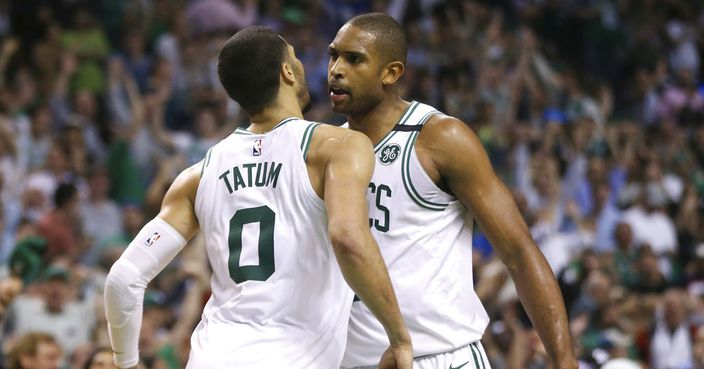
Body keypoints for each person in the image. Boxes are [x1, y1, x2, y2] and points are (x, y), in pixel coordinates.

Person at [104, 26, 412, 369]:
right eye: (295, 58)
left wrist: (126, 363)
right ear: (287, 72)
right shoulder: (335, 148)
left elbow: (124, 279)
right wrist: (398, 336)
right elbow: (347, 238)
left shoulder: (198, 175)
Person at [327, 13, 578, 369]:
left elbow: (519, 252)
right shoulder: (327, 151)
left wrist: (564, 360)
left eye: (354, 59)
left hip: (442, 357)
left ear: (391, 73)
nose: (336, 69)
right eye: (333, 55)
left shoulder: (439, 138)